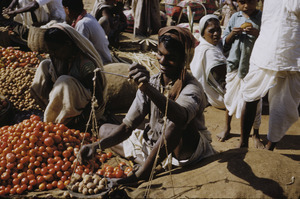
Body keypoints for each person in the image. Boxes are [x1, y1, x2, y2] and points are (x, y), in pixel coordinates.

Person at [78, 26, 216, 183]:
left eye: (170, 57)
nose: (162, 61)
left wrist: (148, 89)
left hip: (184, 150)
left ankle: (143, 172)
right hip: (156, 144)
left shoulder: (192, 87)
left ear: (184, 60)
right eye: (160, 54)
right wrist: (96, 146)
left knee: (174, 123)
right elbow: (127, 127)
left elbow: (181, 118)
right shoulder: (153, 82)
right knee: (104, 130)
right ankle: (152, 161)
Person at [241, 0, 300, 150]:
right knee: (253, 96)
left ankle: (266, 146)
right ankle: (247, 144)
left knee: (282, 103)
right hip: (272, 51)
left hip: (287, 53)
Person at [30, 23, 107, 130]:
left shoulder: (86, 64)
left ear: (68, 44)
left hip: (85, 111)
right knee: (44, 65)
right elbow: (49, 77)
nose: (52, 54)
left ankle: (65, 118)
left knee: (64, 81)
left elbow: (98, 98)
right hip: (68, 100)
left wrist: (84, 121)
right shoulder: (59, 59)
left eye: (55, 50)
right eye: (50, 50)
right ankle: (52, 110)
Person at [216, 0, 263, 148]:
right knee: (229, 96)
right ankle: (227, 128)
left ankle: (255, 134)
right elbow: (225, 41)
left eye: (250, 2)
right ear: (237, 2)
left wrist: (257, 34)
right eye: (242, 2)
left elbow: (268, 40)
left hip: (254, 66)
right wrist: (232, 34)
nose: (246, 6)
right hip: (235, 63)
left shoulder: (262, 17)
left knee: (256, 101)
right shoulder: (235, 17)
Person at [190, 14, 227, 110]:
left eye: (218, 30)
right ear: (203, 34)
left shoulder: (215, 46)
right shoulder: (208, 52)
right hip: (220, 96)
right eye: (211, 31)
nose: (216, 34)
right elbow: (224, 74)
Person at [62, 0, 112, 65]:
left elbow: (80, 51)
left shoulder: (82, 24)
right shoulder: (87, 17)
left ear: (67, 9)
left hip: (100, 63)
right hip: (102, 58)